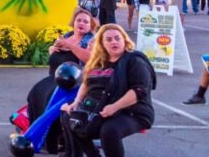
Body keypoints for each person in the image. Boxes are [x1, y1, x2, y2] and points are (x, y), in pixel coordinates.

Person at [61, 24, 156, 157]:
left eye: (117, 38)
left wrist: (115, 107)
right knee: (71, 118)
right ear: (102, 44)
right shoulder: (99, 61)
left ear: (125, 40)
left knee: (109, 130)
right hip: (100, 109)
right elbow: (86, 83)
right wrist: (76, 102)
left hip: (132, 112)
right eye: (109, 40)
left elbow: (139, 91)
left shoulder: (135, 60)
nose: (114, 42)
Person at [26, 9, 96, 153]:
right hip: (54, 78)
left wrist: (70, 46)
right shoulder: (67, 36)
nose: (81, 23)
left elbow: (89, 59)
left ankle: (52, 141)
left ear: (90, 26)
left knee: (49, 98)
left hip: (73, 83)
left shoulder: (90, 40)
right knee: (36, 92)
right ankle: (38, 135)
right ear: (73, 23)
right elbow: (53, 58)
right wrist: (52, 49)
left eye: (85, 21)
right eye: (79, 20)